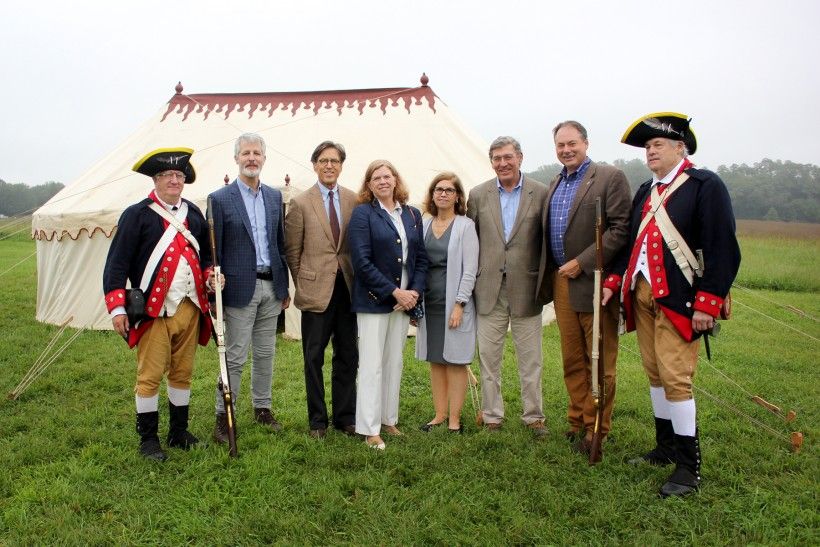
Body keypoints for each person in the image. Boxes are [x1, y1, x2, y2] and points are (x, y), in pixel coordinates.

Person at [604, 112, 740, 497]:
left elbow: (722, 248)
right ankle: (665, 448)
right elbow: (631, 243)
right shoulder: (646, 192)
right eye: (647, 147)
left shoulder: (704, 185)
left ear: (681, 147)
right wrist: (616, 281)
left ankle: (687, 467)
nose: (650, 152)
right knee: (654, 372)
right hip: (643, 296)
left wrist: (707, 303)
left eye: (657, 145)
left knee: (676, 376)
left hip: (682, 300)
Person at [103, 147, 212, 461]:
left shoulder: (193, 213)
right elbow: (116, 266)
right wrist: (117, 309)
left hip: (190, 308)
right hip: (154, 310)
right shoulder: (136, 215)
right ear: (156, 179)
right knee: (149, 376)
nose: (174, 180)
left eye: (178, 175)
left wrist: (209, 275)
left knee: (183, 373)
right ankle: (148, 440)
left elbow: (204, 256)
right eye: (167, 175)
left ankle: (178, 433)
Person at [535, 121, 631, 458]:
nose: (565, 150)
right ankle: (577, 419)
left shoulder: (608, 177)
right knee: (572, 359)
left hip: (594, 283)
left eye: (571, 143)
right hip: (562, 284)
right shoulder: (555, 183)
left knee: (599, 361)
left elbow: (621, 229)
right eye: (560, 145)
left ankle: (597, 429)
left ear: (586, 143)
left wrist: (584, 260)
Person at [207, 133, 290, 443]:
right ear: (237, 159)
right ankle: (222, 417)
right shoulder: (220, 198)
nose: (251, 158)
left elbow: (279, 243)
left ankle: (262, 409)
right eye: (246, 153)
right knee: (236, 356)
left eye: (257, 153)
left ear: (264, 159)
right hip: (239, 288)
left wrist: (284, 286)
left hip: (271, 286)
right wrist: (215, 283)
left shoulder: (273, 196)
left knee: (266, 353)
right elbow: (213, 250)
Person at [466, 136, 549, 438]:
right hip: (488, 289)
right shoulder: (478, 195)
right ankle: (492, 416)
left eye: (508, 157)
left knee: (531, 359)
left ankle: (534, 417)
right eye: (497, 158)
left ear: (520, 158)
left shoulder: (540, 192)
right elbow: (470, 240)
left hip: (527, 288)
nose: (503, 163)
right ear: (491, 162)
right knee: (489, 358)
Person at [348, 160, 428, 449]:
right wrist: (394, 292)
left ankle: (388, 419)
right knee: (371, 364)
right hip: (375, 300)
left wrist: (414, 292)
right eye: (376, 177)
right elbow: (361, 262)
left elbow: (420, 258)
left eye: (387, 176)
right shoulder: (362, 215)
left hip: (405, 298)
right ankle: (369, 429)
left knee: (394, 361)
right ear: (369, 185)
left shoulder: (412, 214)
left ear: (396, 179)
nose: (382, 181)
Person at [285, 141, 358, 439]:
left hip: (348, 291)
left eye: (335, 160)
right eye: (323, 160)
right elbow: (292, 250)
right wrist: (303, 281)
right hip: (316, 292)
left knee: (348, 355)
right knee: (313, 357)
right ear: (314, 164)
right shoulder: (301, 202)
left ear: (341, 165)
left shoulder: (355, 200)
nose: (329, 165)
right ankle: (317, 421)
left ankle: (345, 417)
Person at [416, 172, 479, 434]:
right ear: (432, 195)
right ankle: (439, 414)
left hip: (453, 303)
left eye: (449, 190)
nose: (443, 193)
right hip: (429, 303)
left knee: (455, 360)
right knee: (436, 360)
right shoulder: (423, 225)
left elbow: (470, 268)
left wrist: (459, 304)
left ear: (457, 197)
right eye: (438, 189)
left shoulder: (465, 226)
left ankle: (454, 419)